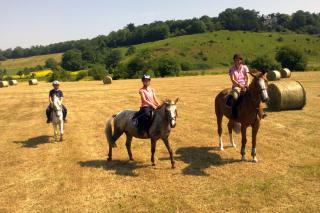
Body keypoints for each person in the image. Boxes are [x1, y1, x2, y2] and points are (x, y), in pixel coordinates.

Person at [229, 54, 266, 119]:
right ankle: (234, 113)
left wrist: (247, 84)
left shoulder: (245, 67)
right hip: (236, 86)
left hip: (245, 85)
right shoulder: (232, 68)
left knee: (255, 95)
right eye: (236, 59)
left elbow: (247, 77)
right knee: (235, 96)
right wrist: (239, 85)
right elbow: (232, 79)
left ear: (241, 60)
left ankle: (261, 112)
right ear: (234, 60)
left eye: (239, 59)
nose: (237, 60)